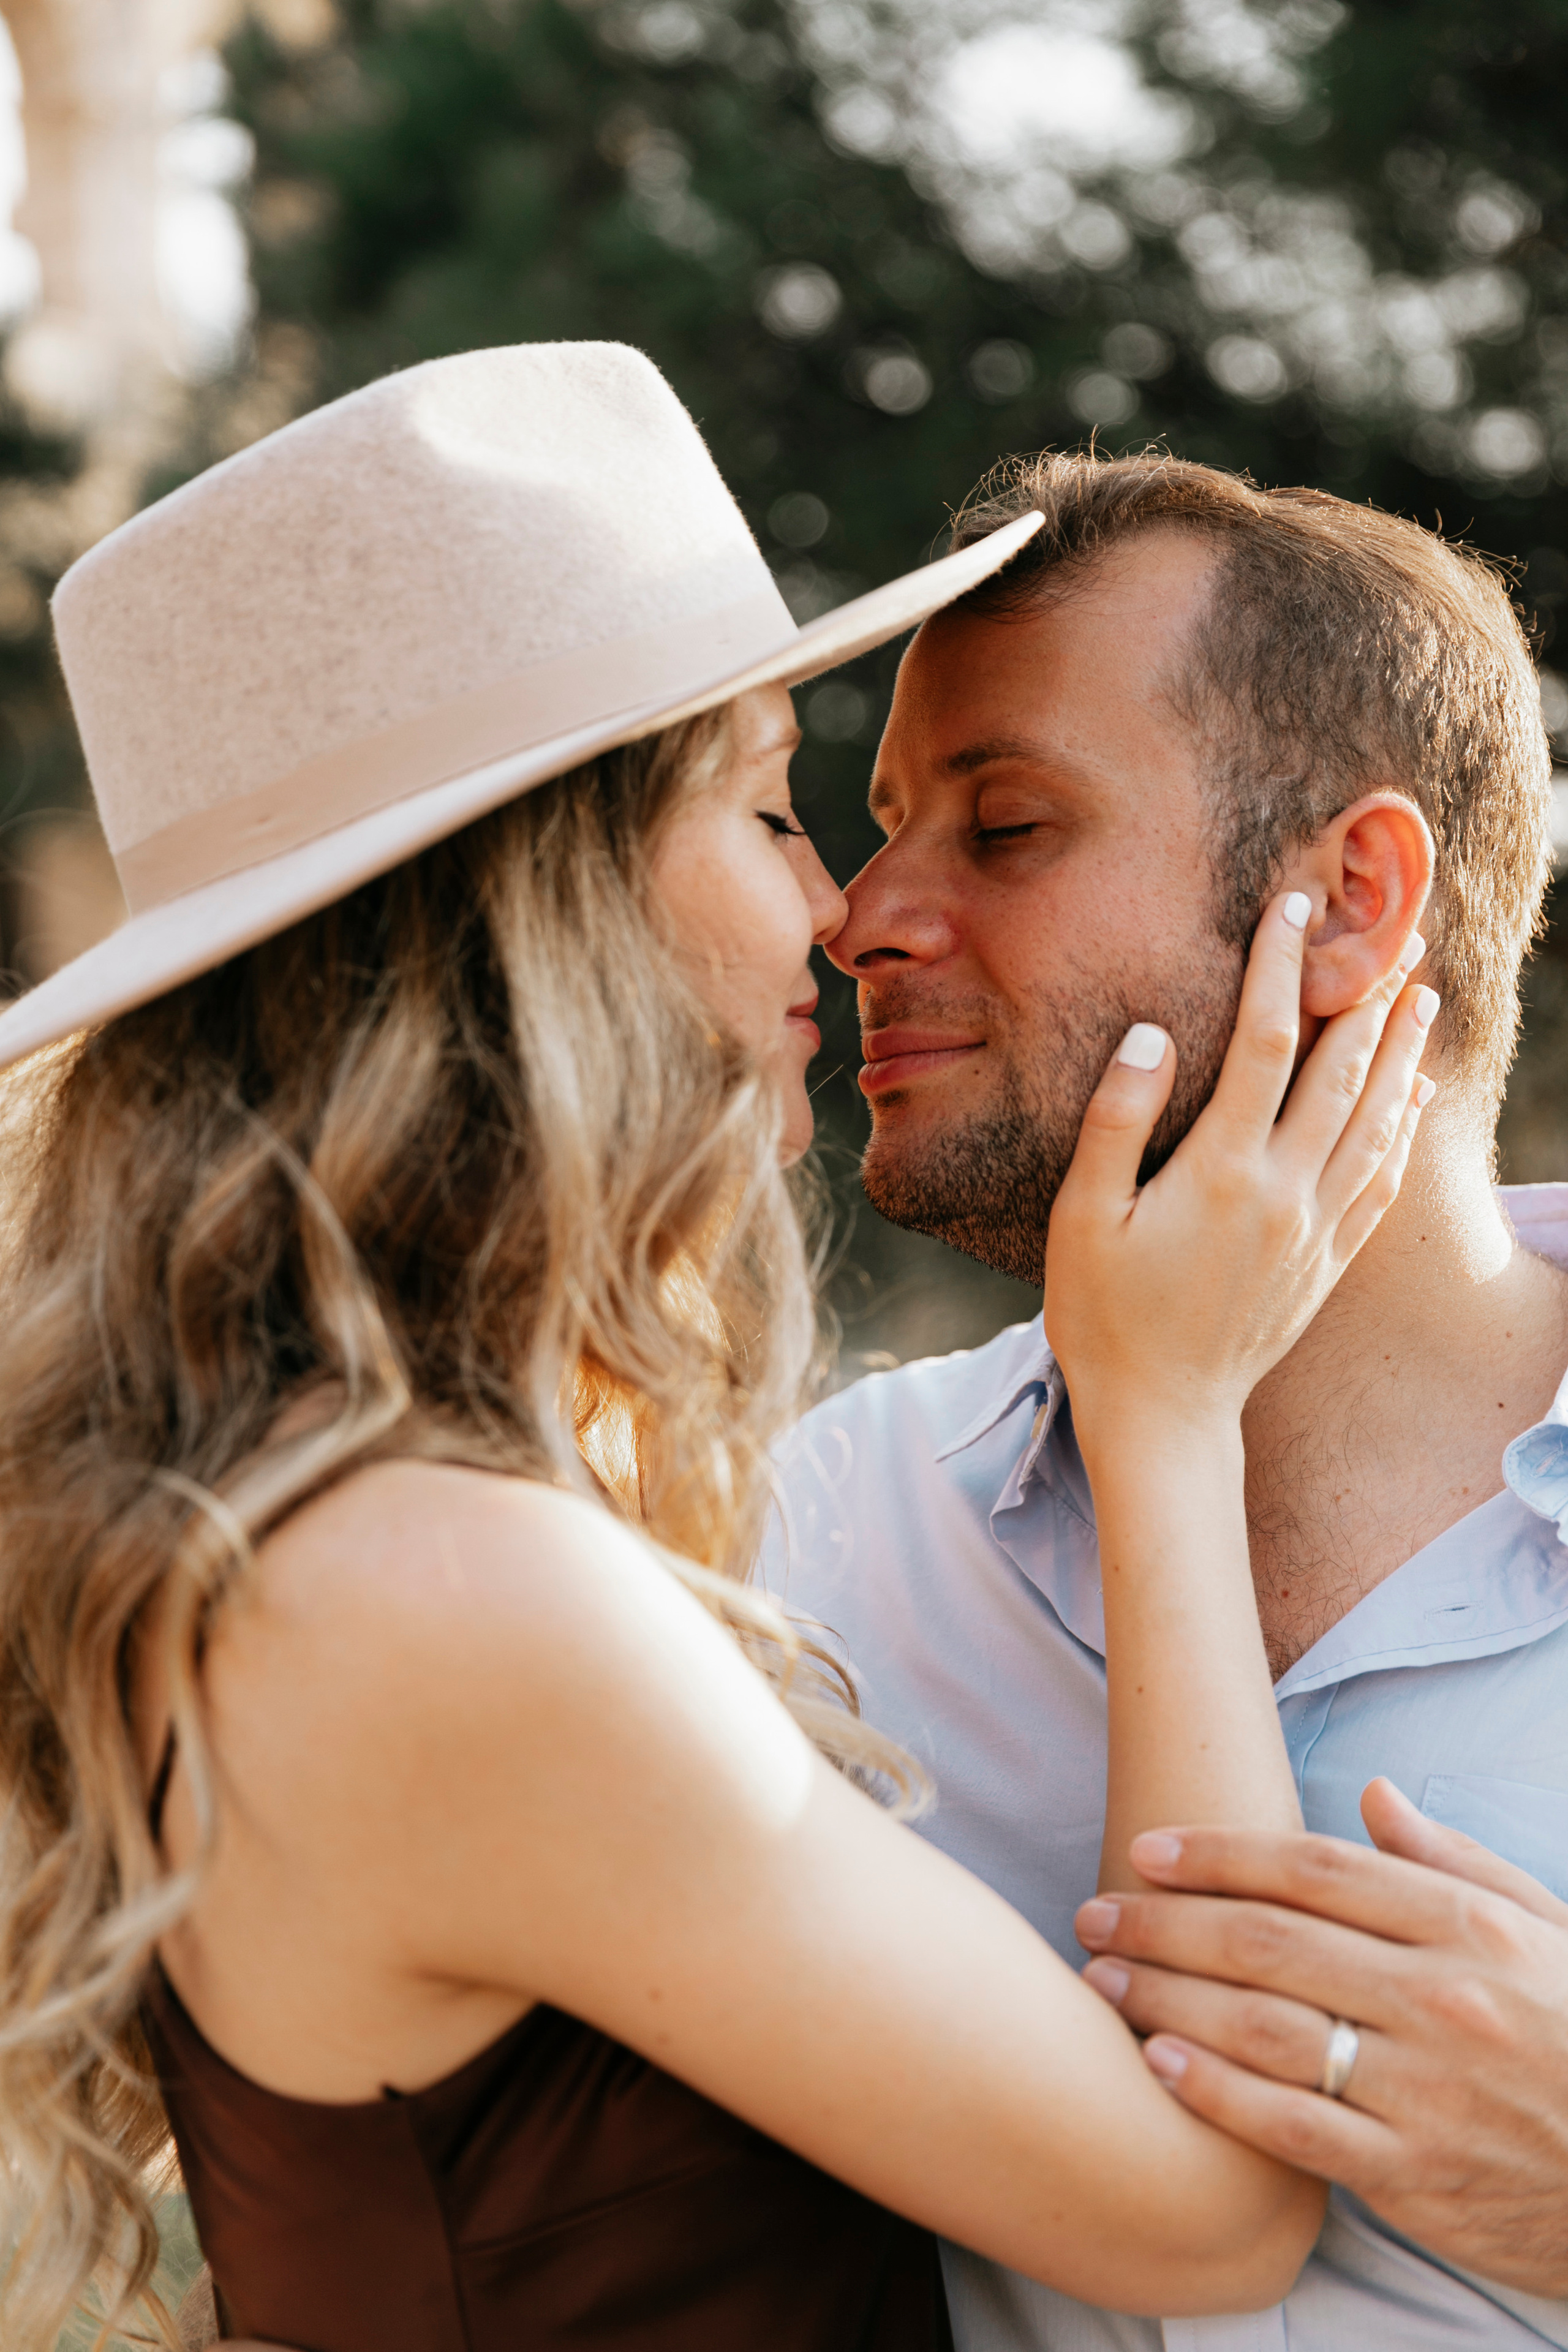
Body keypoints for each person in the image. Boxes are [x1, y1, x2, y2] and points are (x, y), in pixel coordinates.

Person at [0, 345, 1429, 2352]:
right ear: (545, 906)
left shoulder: (315, 1524)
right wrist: (1166, 1414)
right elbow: (1205, 2215)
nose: (834, 914)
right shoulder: (438, 1588)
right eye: (770, 807)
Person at [766, 448, 1568, 2350]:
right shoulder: (812, 1539)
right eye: (878, 827)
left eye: (1009, 825)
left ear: (1353, 898)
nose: (861, 915)